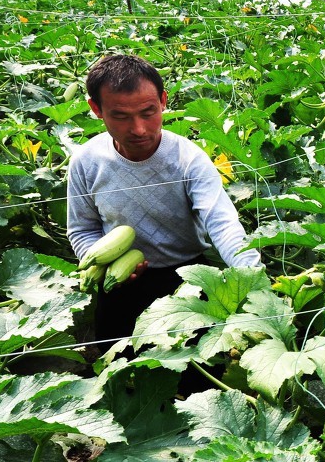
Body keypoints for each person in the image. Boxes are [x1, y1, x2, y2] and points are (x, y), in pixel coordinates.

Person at [67, 54, 261, 347]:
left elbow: (222, 224)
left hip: (186, 279)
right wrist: (104, 267)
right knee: (117, 369)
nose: (138, 129)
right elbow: (81, 229)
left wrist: (253, 279)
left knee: (196, 379)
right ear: (97, 109)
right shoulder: (86, 161)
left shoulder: (188, 159)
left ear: (163, 101)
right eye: (120, 116)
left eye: (148, 112)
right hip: (119, 284)